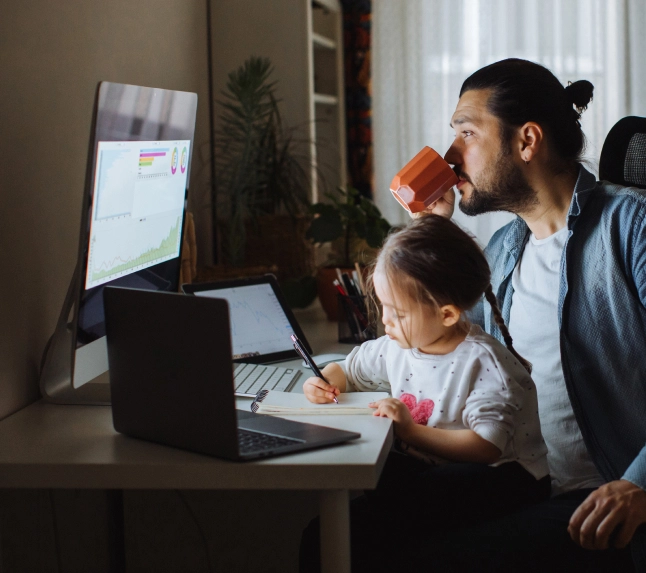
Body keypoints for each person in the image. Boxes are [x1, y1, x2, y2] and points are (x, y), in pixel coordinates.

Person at [379, 58, 646, 572]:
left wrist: (638, 485)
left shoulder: (632, 228)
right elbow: (439, 345)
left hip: (605, 494)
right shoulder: (504, 249)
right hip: (528, 473)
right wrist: (432, 233)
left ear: (527, 141)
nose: (449, 157)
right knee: (350, 524)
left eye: (466, 134)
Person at [300, 214, 550, 573]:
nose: (385, 321)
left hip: (505, 475)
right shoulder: (399, 344)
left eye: (397, 313)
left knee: (386, 506)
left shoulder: (483, 364)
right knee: (356, 504)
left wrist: (410, 431)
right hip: (438, 465)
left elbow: (486, 446)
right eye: (383, 306)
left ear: (447, 314)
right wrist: (325, 380)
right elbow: (349, 369)